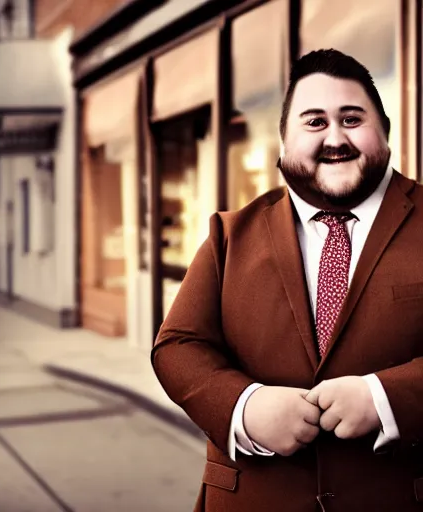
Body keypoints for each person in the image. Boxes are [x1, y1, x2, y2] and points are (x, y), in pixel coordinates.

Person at [150, 48, 423, 512]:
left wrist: (385, 399)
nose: (335, 137)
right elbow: (177, 345)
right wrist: (244, 406)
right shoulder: (228, 235)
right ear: (282, 142)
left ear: (386, 132)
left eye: (352, 119)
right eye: (314, 122)